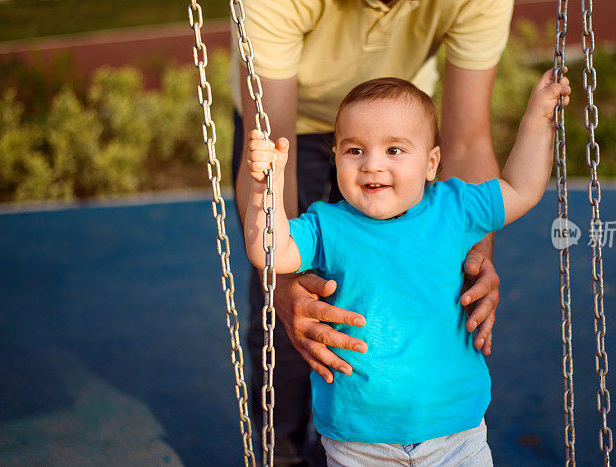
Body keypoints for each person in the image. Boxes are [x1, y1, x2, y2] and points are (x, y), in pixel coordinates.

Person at [230, 0, 514, 464]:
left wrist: (475, 257)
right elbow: (269, 146)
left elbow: (467, 140)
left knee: (411, 284)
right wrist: (281, 283)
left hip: (396, 120)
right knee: (294, 306)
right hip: (287, 122)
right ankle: (279, 442)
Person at [242, 74, 570, 465]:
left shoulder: (453, 208)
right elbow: (270, 252)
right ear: (336, 158)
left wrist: (538, 116)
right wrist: (268, 188)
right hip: (359, 439)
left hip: (455, 432)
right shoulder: (326, 225)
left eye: (394, 150)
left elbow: (521, 188)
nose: (373, 165)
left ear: (431, 163)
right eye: (355, 151)